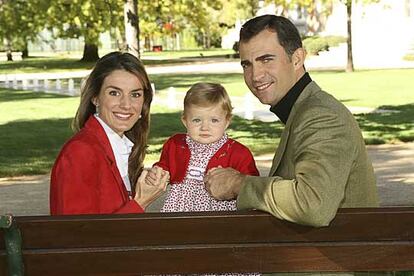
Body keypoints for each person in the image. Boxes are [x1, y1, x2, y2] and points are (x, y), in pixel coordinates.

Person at [204, 15, 379, 227]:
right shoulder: (303, 109)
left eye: (266, 60)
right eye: (247, 65)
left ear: (297, 59)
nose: (255, 75)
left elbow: (313, 205)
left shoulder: (322, 116)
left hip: (341, 256)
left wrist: (238, 184)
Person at [50, 51, 168, 215]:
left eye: (135, 94)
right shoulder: (81, 152)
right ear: (95, 97)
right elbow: (77, 235)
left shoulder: (119, 147)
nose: (126, 105)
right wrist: (140, 202)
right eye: (114, 93)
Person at [147, 82, 259, 212]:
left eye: (214, 120)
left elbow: (250, 186)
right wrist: (158, 172)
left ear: (227, 121)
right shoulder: (176, 144)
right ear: (185, 121)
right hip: (179, 209)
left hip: (218, 215)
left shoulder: (238, 153)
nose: (205, 127)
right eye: (197, 120)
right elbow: (165, 166)